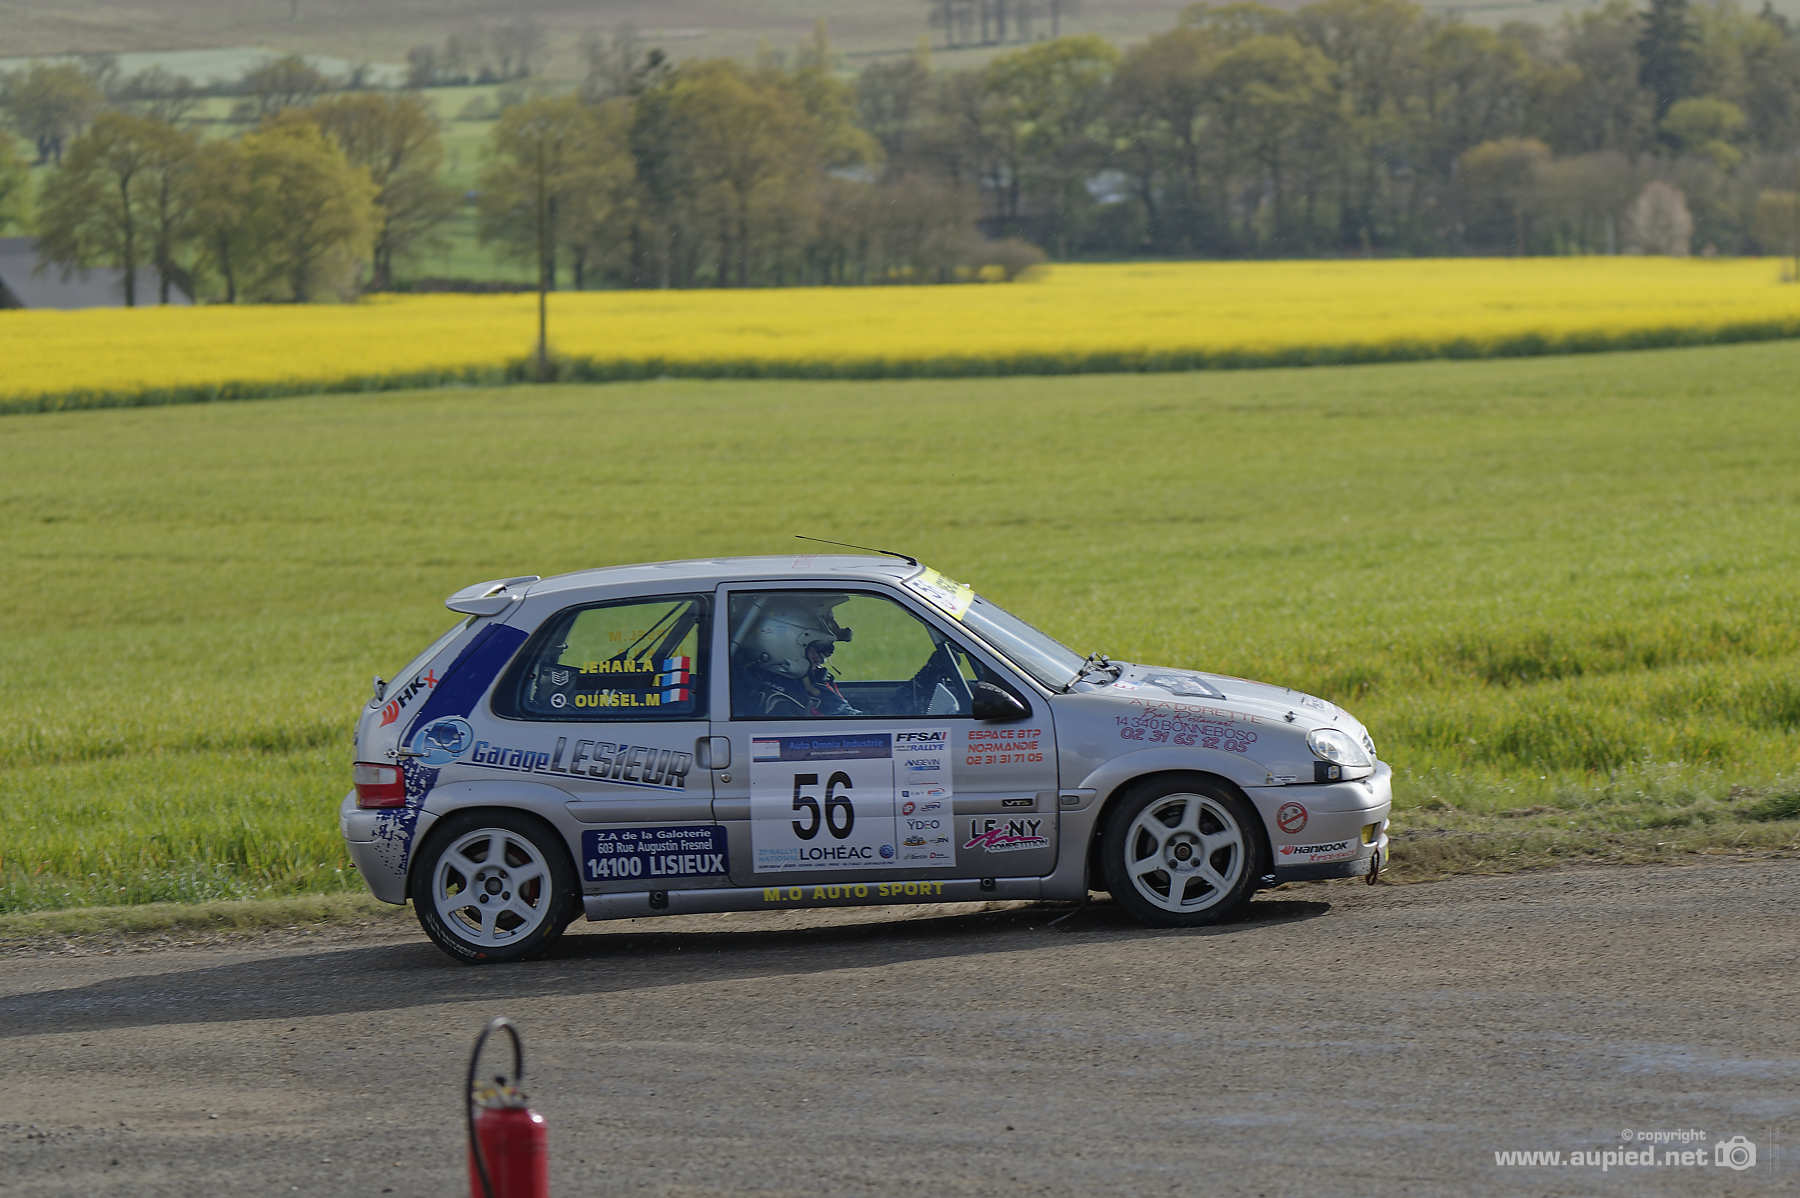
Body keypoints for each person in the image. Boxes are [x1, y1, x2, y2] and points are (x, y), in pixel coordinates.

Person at [731, 594, 860, 717]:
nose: (821, 659)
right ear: (784, 645)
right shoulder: (778, 701)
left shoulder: (809, 683)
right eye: (817, 650)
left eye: (825, 651)